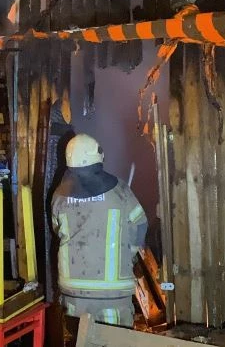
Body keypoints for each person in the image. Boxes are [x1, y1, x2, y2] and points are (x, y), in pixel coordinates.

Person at [51, 134, 147, 327]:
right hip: (112, 292)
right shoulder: (119, 191)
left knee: (79, 337)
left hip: (73, 290)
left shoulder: (59, 195)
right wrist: (128, 253)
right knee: (114, 338)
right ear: (99, 156)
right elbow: (140, 225)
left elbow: (57, 229)